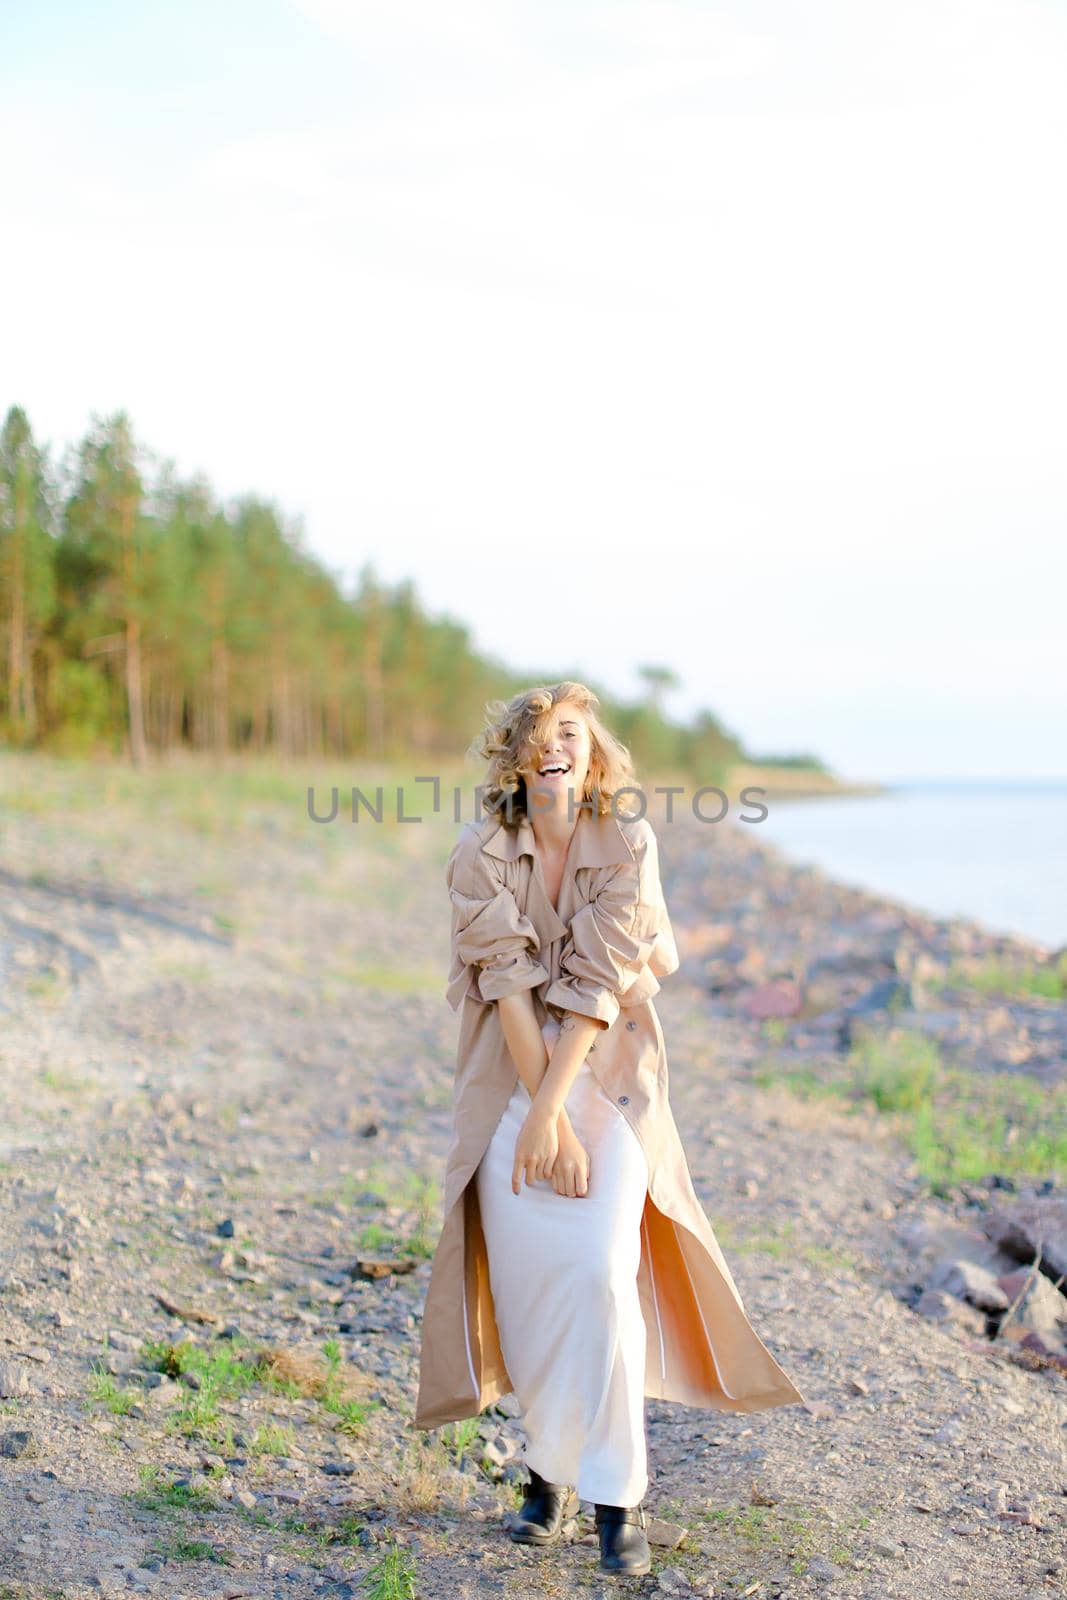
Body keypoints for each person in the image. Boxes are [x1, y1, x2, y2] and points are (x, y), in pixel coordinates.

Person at [414, 680, 806, 1577]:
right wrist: (533, 1116)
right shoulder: (479, 852)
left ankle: (614, 1498)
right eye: (535, 736)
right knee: (532, 1292)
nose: (552, 747)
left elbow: (594, 989)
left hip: (607, 1081)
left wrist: (559, 1115)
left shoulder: (628, 840)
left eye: (570, 735)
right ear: (513, 756)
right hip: (510, 1081)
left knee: (597, 1273)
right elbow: (507, 985)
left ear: (592, 757)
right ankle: (546, 1473)